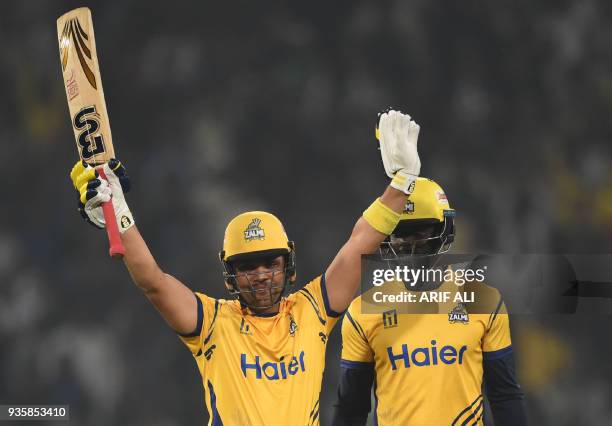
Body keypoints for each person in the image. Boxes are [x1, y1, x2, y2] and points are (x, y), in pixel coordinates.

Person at [68, 110, 421, 425]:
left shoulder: (312, 310)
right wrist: (122, 217)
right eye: (249, 266)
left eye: (271, 262)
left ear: (289, 263)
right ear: (231, 274)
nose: (262, 274)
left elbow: (358, 244)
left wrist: (402, 184)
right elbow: (154, 282)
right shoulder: (212, 323)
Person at [331, 166, 528, 423]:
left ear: (444, 233)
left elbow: (504, 396)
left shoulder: (485, 302)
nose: (410, 246)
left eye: (420, 234)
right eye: (400, 235)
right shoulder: (362, 312)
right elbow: (351, 408)